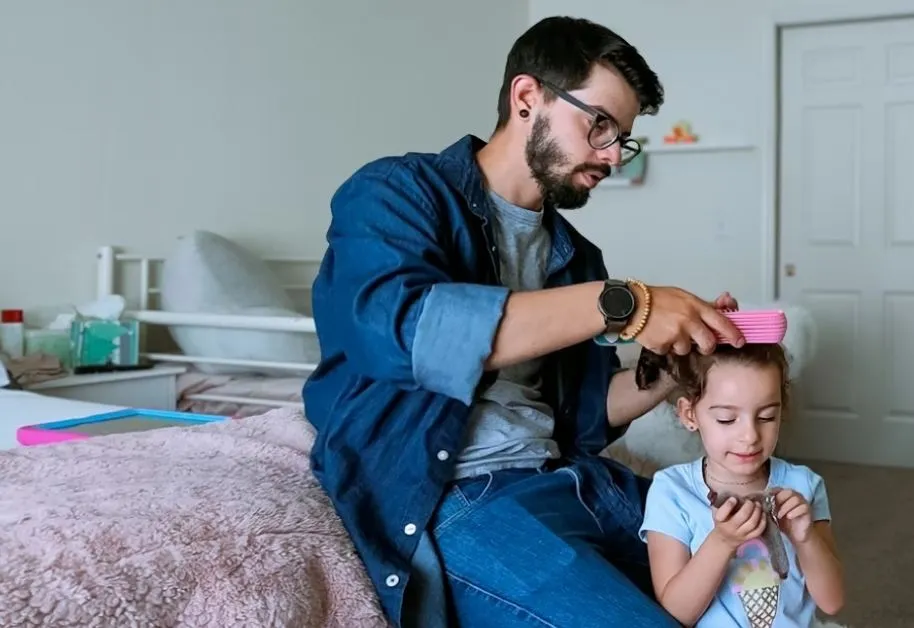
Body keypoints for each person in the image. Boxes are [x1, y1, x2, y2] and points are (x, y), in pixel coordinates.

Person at [302, 15, 748, 628]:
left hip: (575, 481)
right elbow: (407, 332)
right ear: (526, 97)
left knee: (762, 583)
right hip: (462, 494)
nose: (613, 155)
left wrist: (674, 373)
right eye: (599, 124)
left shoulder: (576, 257)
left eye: (623, 137)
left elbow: (582, 417)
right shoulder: (397, 192)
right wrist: (627, 303)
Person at [639, 344, 845, 628]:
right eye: (727, 419)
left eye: (766, 417)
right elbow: (676, 614)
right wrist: (722, 542)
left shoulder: (804, 484)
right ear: (689, 414)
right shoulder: (671, 492)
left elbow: (832, 602)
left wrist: (806, 538)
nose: (749, 436)